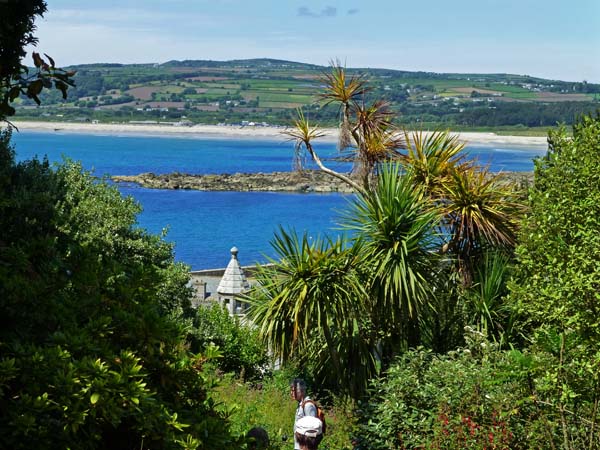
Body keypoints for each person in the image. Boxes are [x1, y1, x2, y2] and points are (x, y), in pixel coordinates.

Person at [290, 378, 317, 450]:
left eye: (293, 391)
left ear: (302, 391)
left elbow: (312, 430)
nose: (291, 393)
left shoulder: (308, 406)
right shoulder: (300, 405)